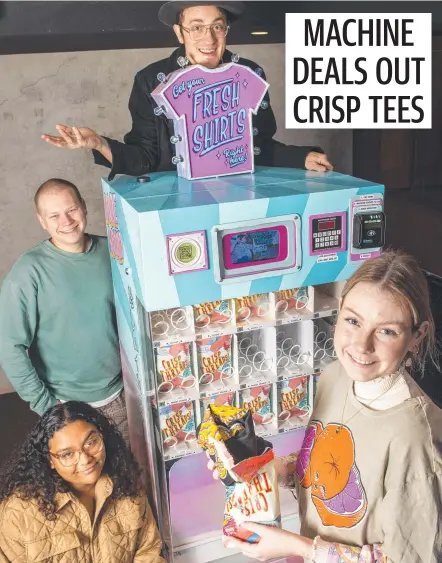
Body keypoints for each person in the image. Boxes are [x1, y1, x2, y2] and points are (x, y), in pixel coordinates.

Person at [208, 251, 442, 562]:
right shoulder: (336, 377)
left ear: (417, 336)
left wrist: (297, 547)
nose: (361, 345)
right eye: (353, 321)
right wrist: (264, 472)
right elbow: (326, 463)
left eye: (386, 331)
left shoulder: (414, 438)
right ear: (339, 311)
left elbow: (409, 558)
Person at [41, 1, 333, 178]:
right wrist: (99, 144)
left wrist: (298, 158)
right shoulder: (150, 80)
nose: (208, 37)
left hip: (241, 195)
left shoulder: (250, 75)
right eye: (196, 27)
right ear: (179, 32)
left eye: (217, 26)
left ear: (226, 31)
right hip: (180, 205)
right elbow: (147, 157)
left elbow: (256, 147)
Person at [0, 179, 128, 444]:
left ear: (83, 207)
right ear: (41, 221)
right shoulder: (27, 273)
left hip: (121, 394)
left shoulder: (112, 251)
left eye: (71, 210)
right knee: (82, 480)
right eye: (54, 215)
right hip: (66, 404)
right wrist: (47, 406)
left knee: (129, 476)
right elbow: (8, 346)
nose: (66, 221)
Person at [0, 402, 164, 563]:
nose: (85, 459)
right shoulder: (17, 513)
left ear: (102, 436)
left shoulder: (127, 484)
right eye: (67, 454)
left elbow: (148, 552)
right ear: (49, 460)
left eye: (91, 442)